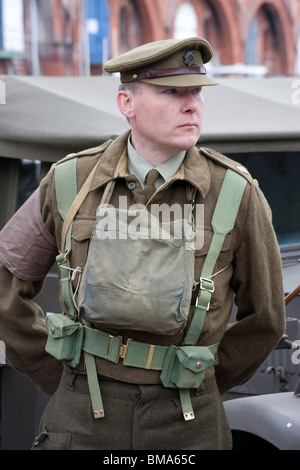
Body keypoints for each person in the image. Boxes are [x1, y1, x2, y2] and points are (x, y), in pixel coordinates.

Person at [0, 37, 285, 450]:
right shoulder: (69, 181)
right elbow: (6, 286)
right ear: (126, 103)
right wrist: (60, 375)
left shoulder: (235, 193)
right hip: (82, 416)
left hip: (189, 422)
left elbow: (267, 318)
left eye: (196, 91)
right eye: (172, 92)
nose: (192, 105)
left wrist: (199, 377)